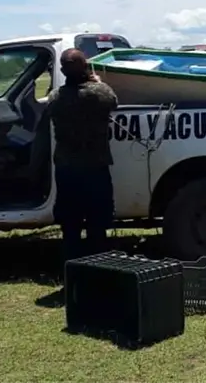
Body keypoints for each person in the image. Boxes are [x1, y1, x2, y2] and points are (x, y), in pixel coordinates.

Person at [43, 48, 119, 263]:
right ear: (85, 67)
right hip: (95, 167)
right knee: (97, 223)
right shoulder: (99, 92)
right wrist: (96, 81)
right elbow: (113, 102)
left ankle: (72, 269)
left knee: (70, 226)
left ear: (61, 71)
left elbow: (50, 109)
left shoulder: (55, 97)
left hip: (67, 170)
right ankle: (99, 267)